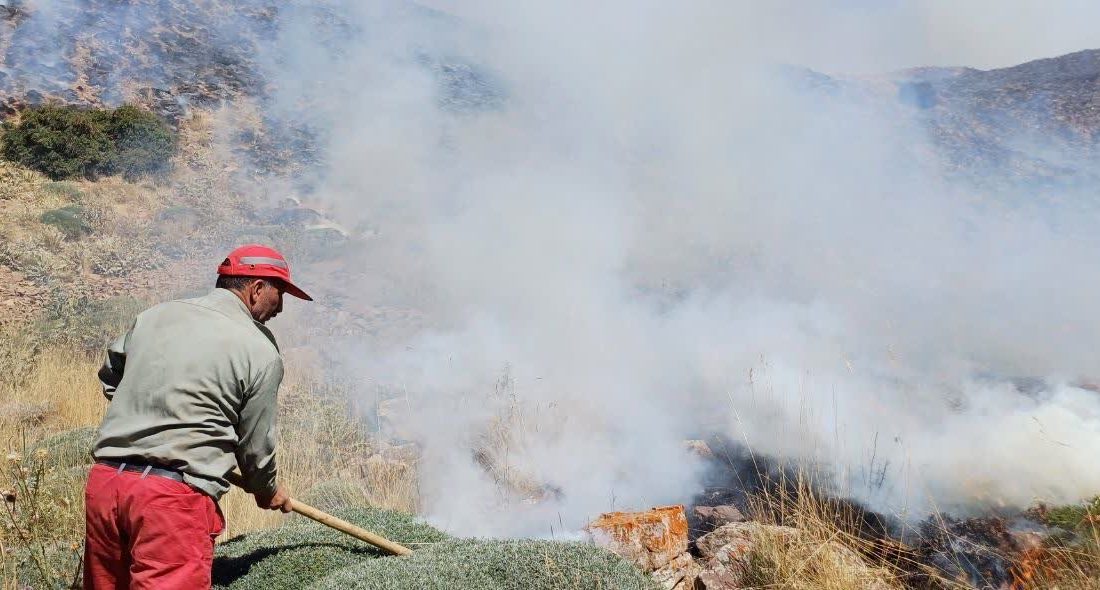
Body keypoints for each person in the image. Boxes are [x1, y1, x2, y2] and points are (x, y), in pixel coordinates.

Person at [83, 244, 312, 589]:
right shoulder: (260, 350)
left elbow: (111, 375)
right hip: (170, 500)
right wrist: (266, 489)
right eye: (280, 293)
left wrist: (145, 415)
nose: (280, 307)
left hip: (107, 485)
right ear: (257, 288)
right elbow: (255, 444)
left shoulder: (155, 316)